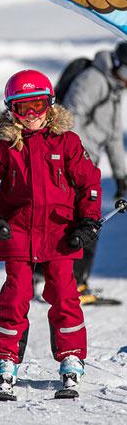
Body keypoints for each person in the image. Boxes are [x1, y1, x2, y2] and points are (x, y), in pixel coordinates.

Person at [0, 70, 102, 400]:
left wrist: (87, 221)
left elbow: (90, 185)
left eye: (39, 106)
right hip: (18, 234)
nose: (32, 117)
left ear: (51, 105)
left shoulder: (67, 142)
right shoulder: (3, 147)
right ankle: (5, 360)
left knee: (65, 294)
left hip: (59, 234)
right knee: (15, 296)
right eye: (23, 109)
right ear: (10, 110)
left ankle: (71, 358)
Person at [60, 43, 127, 303]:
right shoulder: (93, 80)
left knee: (85, 220)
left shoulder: (113, 89)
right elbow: (70, 119)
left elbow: (112, 137)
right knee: (85, 221)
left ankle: (67, 282)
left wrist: (122, 177)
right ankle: (71, 286)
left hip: (87, 166)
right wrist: (79, 161)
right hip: (73, 164)